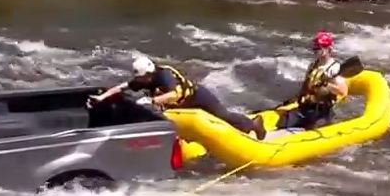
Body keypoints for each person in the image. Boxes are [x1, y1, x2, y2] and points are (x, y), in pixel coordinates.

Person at [89, 56, 265, 139]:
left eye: (141, 78)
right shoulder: (145, 79)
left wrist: (152, 101)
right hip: (181, 105)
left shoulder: (164, 75)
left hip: (197, 97)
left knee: (222, 115)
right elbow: (123, 87)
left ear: (149, 73)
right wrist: (102, 97)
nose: (139, 81)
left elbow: (175, 94)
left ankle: (254, 124)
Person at [274, 30, 349, 132]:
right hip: (306, 107)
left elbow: (343, 92)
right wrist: (298, 97)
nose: (315, 50)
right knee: (284, 122)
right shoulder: (312, 66)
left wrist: (327, 85)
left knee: (314, 128)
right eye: (315, 47)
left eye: (319, 47)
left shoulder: (334, 68)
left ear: (328, 49)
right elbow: (306, 85)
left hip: (322, 111)